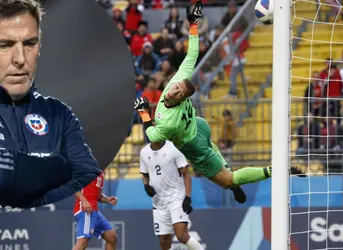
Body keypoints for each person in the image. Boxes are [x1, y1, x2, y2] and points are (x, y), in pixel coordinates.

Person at [134, 0, 306, 204]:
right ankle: (233, 180)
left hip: (194, 144)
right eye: (176, 88)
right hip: (200, 125)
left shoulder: (169, 122)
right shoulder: (178, 79)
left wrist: (144, 113)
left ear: (182, 99)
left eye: (179, 92)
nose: (174, 90)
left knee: (226, 180)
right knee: (214, 152)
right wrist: (194, 24)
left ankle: (275, 170)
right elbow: (192, 54)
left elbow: (154, 136)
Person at [0, 0, 102, 208]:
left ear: (39, 46)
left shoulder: (59, 114)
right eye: (5, 45)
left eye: (29, 43)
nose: (20, 59)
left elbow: (89, 175)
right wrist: (60, 167)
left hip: (48, 233)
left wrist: (30, 197)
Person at [140, 141, 204, 250]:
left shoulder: (174, 148)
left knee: (181, 235)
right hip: (158, 202)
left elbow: (186, 174)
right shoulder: (144, 152)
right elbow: (145, 175)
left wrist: (187, 198)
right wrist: (146, 186)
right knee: (164, 241)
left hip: (176, 198)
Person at [73, 172, 118, 250]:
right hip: (85, 210)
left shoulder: (101, 173)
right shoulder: (87, 166)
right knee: (82, 242)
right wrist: (84, 201)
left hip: (95, 211)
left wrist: (107, 199)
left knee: (112, 237)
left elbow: (98, 196)